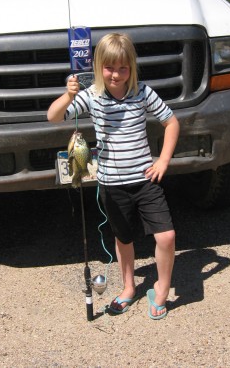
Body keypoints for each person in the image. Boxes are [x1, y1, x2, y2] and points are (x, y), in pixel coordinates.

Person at [47, 33, 180, 320]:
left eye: (123, 68)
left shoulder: (143, 92)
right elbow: (54, 116)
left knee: (166, 236)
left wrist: (164, 160)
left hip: (146, 179)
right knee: (123, 238)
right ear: (98, 67)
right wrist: (68, 95)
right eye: (109, 68)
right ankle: (129, 288)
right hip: (111, 184)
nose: (116, 74)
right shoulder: (91, 95)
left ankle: (162, 288)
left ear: (132, 68)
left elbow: (171, 121)